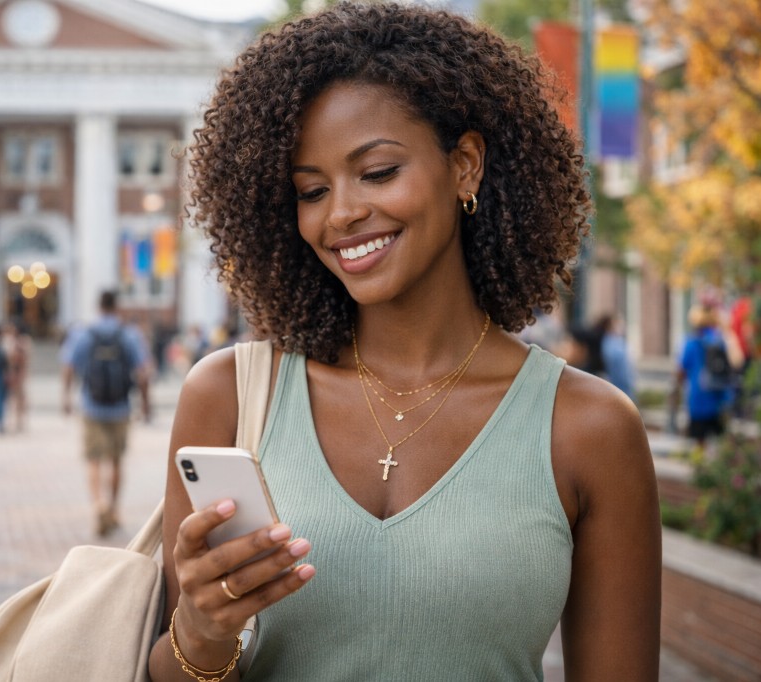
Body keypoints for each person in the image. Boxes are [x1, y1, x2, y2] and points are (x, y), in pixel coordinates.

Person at [147, 5, 661, 680]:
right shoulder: (228, 399)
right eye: (311, 189)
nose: (341, 214)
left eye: (379, 171)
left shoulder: (589, 429)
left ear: (466, 166)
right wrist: (202, 631)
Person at [61, 290, 151, 537]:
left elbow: (68, 366)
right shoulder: (129, 335)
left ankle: (98, 504)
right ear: (116, 306)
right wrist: (145, 404)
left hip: (92, 406)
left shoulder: (84, 333)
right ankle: (114, 509)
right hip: (120, 407)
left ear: (98, 306)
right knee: (116, 459)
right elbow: (143, 372)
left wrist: (66, 398)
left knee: (94, 460)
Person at [673, 304, 735, 447]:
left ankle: (702, 465)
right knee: (721, 440)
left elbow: (681, 369)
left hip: (698, 398)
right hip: (719, 397)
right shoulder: (719, 340)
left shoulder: (691, 342)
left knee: (700, 441)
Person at [594, 312, 636, 401]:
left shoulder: (608, 341)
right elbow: (622, 370)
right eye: (619, 323)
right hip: (619, 387)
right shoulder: (614, 344)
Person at [4, 321, 31, 433]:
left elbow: (27, 356)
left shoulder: (24, 341)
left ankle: (19, 420)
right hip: (12, 371)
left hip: (20, 371)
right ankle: (12, 420)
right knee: (11, 398)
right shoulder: (9, 341)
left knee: (20, 398)